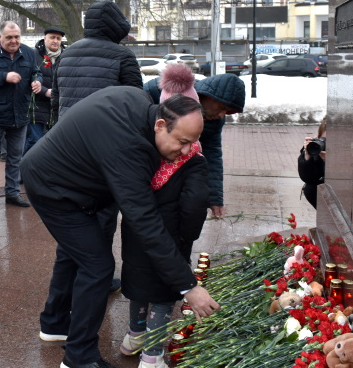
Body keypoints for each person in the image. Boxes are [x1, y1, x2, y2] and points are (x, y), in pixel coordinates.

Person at [22, 87, 220, 368]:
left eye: (194, 143)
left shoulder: (138, 101)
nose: (187, 151)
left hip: (69, 179)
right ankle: (79, 358)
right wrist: (188, 286)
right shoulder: (129, 150)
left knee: (75, 253)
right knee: (97, 267)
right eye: (182, 141)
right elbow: (145, 223)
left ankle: (54, 324)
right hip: (54, 190)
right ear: (160, 125)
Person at [48, 0, 143, 294]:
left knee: (73, 219)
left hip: (66, 151)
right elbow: (137, 107)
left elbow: (55, 104)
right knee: (102, 219)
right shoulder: (122, 56)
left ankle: (69, 283)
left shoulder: (66, 55)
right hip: (106, 153)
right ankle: (96, 280)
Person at [119, 65, 209, 368]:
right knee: (162, 295)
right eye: (185, 140)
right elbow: (195, 204)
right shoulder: (193, 161)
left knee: (138, 287)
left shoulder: (145, 149)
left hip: (136, 234)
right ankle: (152, 355)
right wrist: (188, 236)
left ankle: (134, 337)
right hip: (172, 237)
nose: (185, 149)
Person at [144, 72, 246, 219]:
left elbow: (213, 154)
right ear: (210, 96)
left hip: (176, 172)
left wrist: (214, 197)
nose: (222, 115)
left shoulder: (215, 120)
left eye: (228, 112)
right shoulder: (157, 89)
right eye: (222, 107)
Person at [0, 21, 41, 207]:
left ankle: (12, 192)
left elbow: (36, 72)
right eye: (9, 37)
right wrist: (4, 76)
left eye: (17, 37)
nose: (14, 41)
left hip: (20, 113)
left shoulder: (29, 53)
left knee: (16, 156)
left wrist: (37, 81)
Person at [50, 0, 142, 119]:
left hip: (67, 130)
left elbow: (55, 100)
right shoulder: (123, 55)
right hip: (107, 130)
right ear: (117, 25)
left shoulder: (65, 54)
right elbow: (136, 101)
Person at [23, 26, 65, 154]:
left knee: (54, 145)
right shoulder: (33, 55)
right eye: (52, 37)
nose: (55, 41)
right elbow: (26, 79)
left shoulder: (66, 56)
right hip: (36, 107)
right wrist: (45, 91)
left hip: (56, 108)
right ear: (45, 38)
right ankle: (23, 167)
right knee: (34, 141)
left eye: (58, 38)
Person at [298, 117, 326, 208]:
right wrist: (307, 155)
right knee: (311, 188)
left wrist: (333, 162)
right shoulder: (318, 149)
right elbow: (309, 178)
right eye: (324, 139)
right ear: (318, 137)